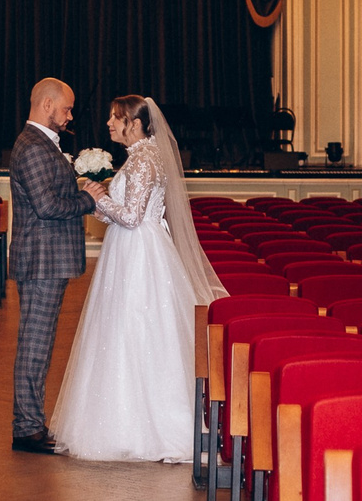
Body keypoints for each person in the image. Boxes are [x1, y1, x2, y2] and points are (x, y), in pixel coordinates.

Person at [48, 94, 228, 464]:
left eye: (116, 118)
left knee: (133, 328)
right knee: (124, 329)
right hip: (131, 248)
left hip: (139, 255)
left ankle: (140, 427)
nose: (109, 124)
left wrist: (94, 196)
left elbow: (131, 217)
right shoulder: (140, 156)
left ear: (135, 123)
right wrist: (96, 202)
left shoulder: (145, 159)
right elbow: (125, 215)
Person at [7, 77, 92, 454]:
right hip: (42, 260)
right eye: (66, 108)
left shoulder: (40, 143)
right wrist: (87, 200)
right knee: (35, 346)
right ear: (47, 105)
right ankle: (26, 428)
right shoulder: (33, 146)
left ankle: (31, 423)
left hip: (46, 259)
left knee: (38, 345)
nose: (70, 115)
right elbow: (47, 206)